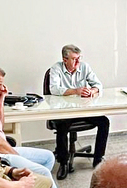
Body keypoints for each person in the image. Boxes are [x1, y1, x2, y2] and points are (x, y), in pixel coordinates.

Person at [47, 44, 110, 179]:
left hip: (83, 109)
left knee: (104, 122)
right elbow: (54, 89)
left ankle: (98, 159)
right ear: (65, 60)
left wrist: (92, 91)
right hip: (65, 110)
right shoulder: (56, 68)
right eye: (74, 59)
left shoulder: (84, 67)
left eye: (79, 58)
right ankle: (63, 163)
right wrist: (76, 91)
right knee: (62, 125)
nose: (78, 62)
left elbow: (98, 85)